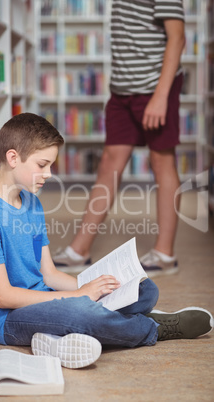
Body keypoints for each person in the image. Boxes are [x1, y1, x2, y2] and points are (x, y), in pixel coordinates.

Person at [0, 113, 213, 369]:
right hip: (6, 318)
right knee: (80, 312)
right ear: (13, 158)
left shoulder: (31, 202)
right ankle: (151, 328)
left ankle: (57, 335)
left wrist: (92, 288)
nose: (49, 174)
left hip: (45, 297)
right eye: (42, 164)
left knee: (144, 288)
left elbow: (48, 274)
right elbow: (3, 297)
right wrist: (80, 296)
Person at [53, 0, 186, 277]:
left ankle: (165, 254)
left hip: (155, 87)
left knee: (162, 162)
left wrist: (161, 97)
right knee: (109, 164)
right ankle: (79, 251)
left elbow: (177, 37)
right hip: (122, 90)